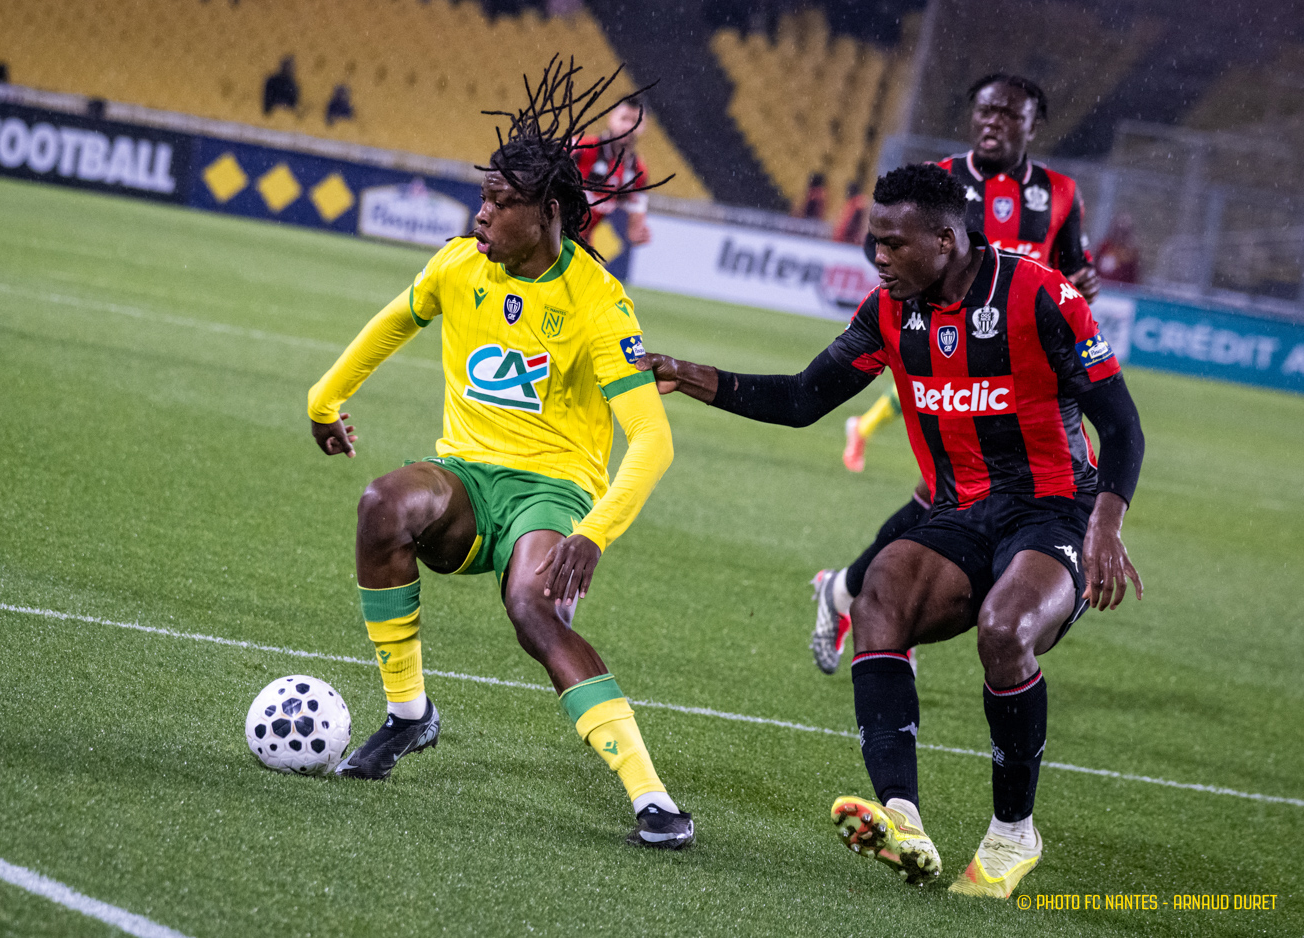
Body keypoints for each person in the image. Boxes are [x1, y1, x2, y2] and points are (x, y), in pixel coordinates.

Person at [641, 163, 1143, 895]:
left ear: (946, 240)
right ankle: (902, 819)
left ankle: (1012, 833)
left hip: (1056, 508)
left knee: (1004, 630)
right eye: (874, 242)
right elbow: (803, 398)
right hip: (959, 511)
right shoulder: (887, 312)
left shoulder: (1040, 296)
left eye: (893, 244)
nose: (877, 257)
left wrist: (1106, 523)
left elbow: (1121, 424)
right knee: (879, 593)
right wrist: (686, 374)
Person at [307, 58, 692, 849]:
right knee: (382, 503)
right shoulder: (458, 265)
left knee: (532, 608)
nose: (480, 215)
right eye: (482, 197)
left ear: (548, 213)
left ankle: (652, 799)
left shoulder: (599, 303)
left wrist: (595, 533)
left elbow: (653, 438)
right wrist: (323, 399)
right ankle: (409, 715)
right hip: (466, 481)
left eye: (499, 202)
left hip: (551, 491)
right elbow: (392, 323)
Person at [821, 73, 1104, 673]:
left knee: (944, 503)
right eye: (984, 110)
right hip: (948, 356)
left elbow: (1073, 269)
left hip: (1024, 369)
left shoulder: (1060, 194)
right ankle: (873, 602)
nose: (993, 121)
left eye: (1008, 113)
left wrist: (1081, 285)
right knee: (945, 500)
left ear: (1033, 125)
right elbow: (887, 248)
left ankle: (850, 592)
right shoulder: (940, 181)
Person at [573, 96, 661, 249]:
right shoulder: (581, 148)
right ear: (611, 118)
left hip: (579, 242)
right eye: (623, 118)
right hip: (547, 236)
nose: (628, 126)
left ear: (643, 126)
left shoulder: (638, 171)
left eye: (635, 121)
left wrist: (638, 235)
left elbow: (634, 229)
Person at [1094, 212, 1140, 284]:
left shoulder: (1131, 253)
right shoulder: (1105, 247)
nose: (1120, 234)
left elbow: (1132, 277)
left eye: (1124, 231)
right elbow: (1094, 267)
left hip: (1119, 289)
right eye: (1119, 229)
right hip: (1101, 285)